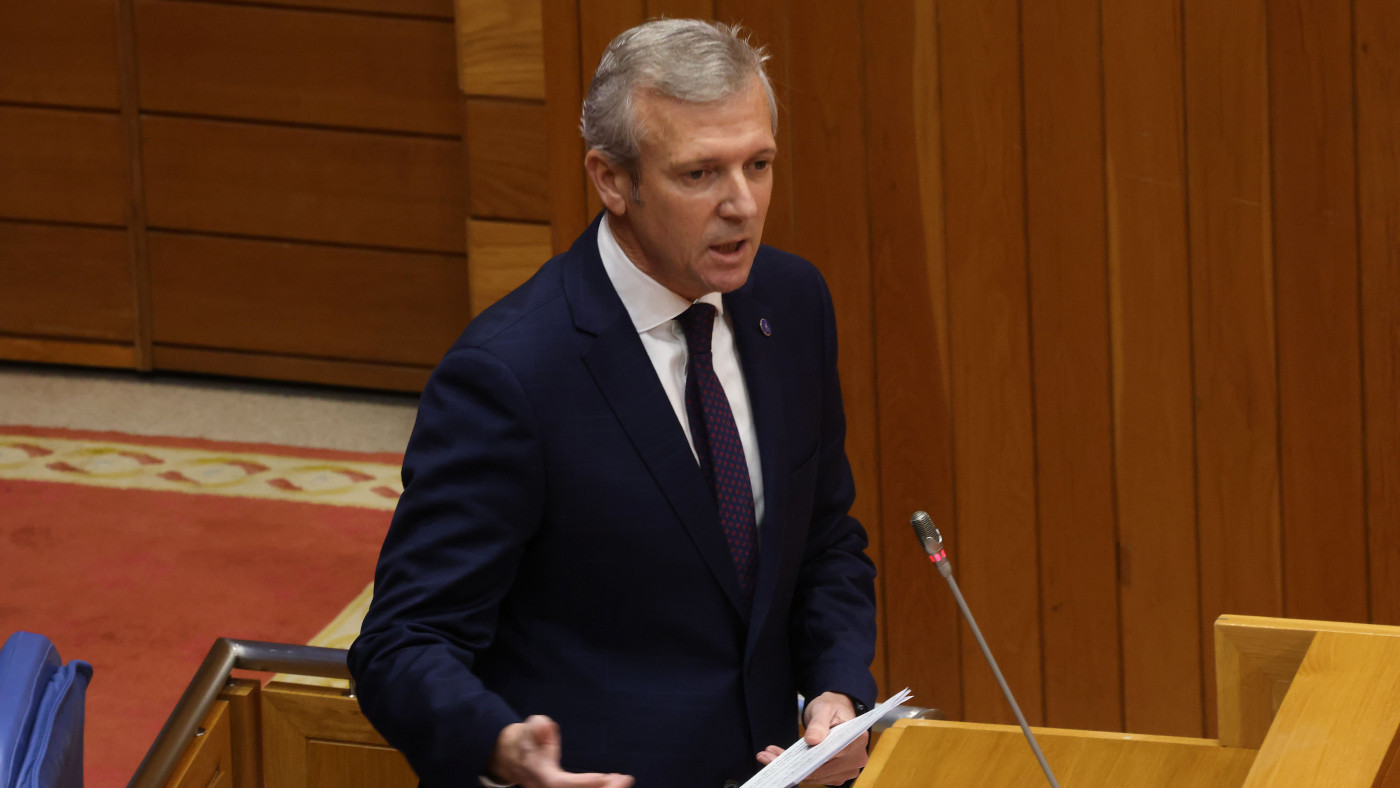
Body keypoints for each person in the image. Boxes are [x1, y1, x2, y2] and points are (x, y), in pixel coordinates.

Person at [348, 18, 877, 788]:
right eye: (699, 175)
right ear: (612, 179)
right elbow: (401, 642)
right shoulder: (511, 375)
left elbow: (826, 541)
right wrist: (499, 745)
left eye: (758, 164)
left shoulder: (791, 305)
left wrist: (837, 690)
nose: (742, 205)